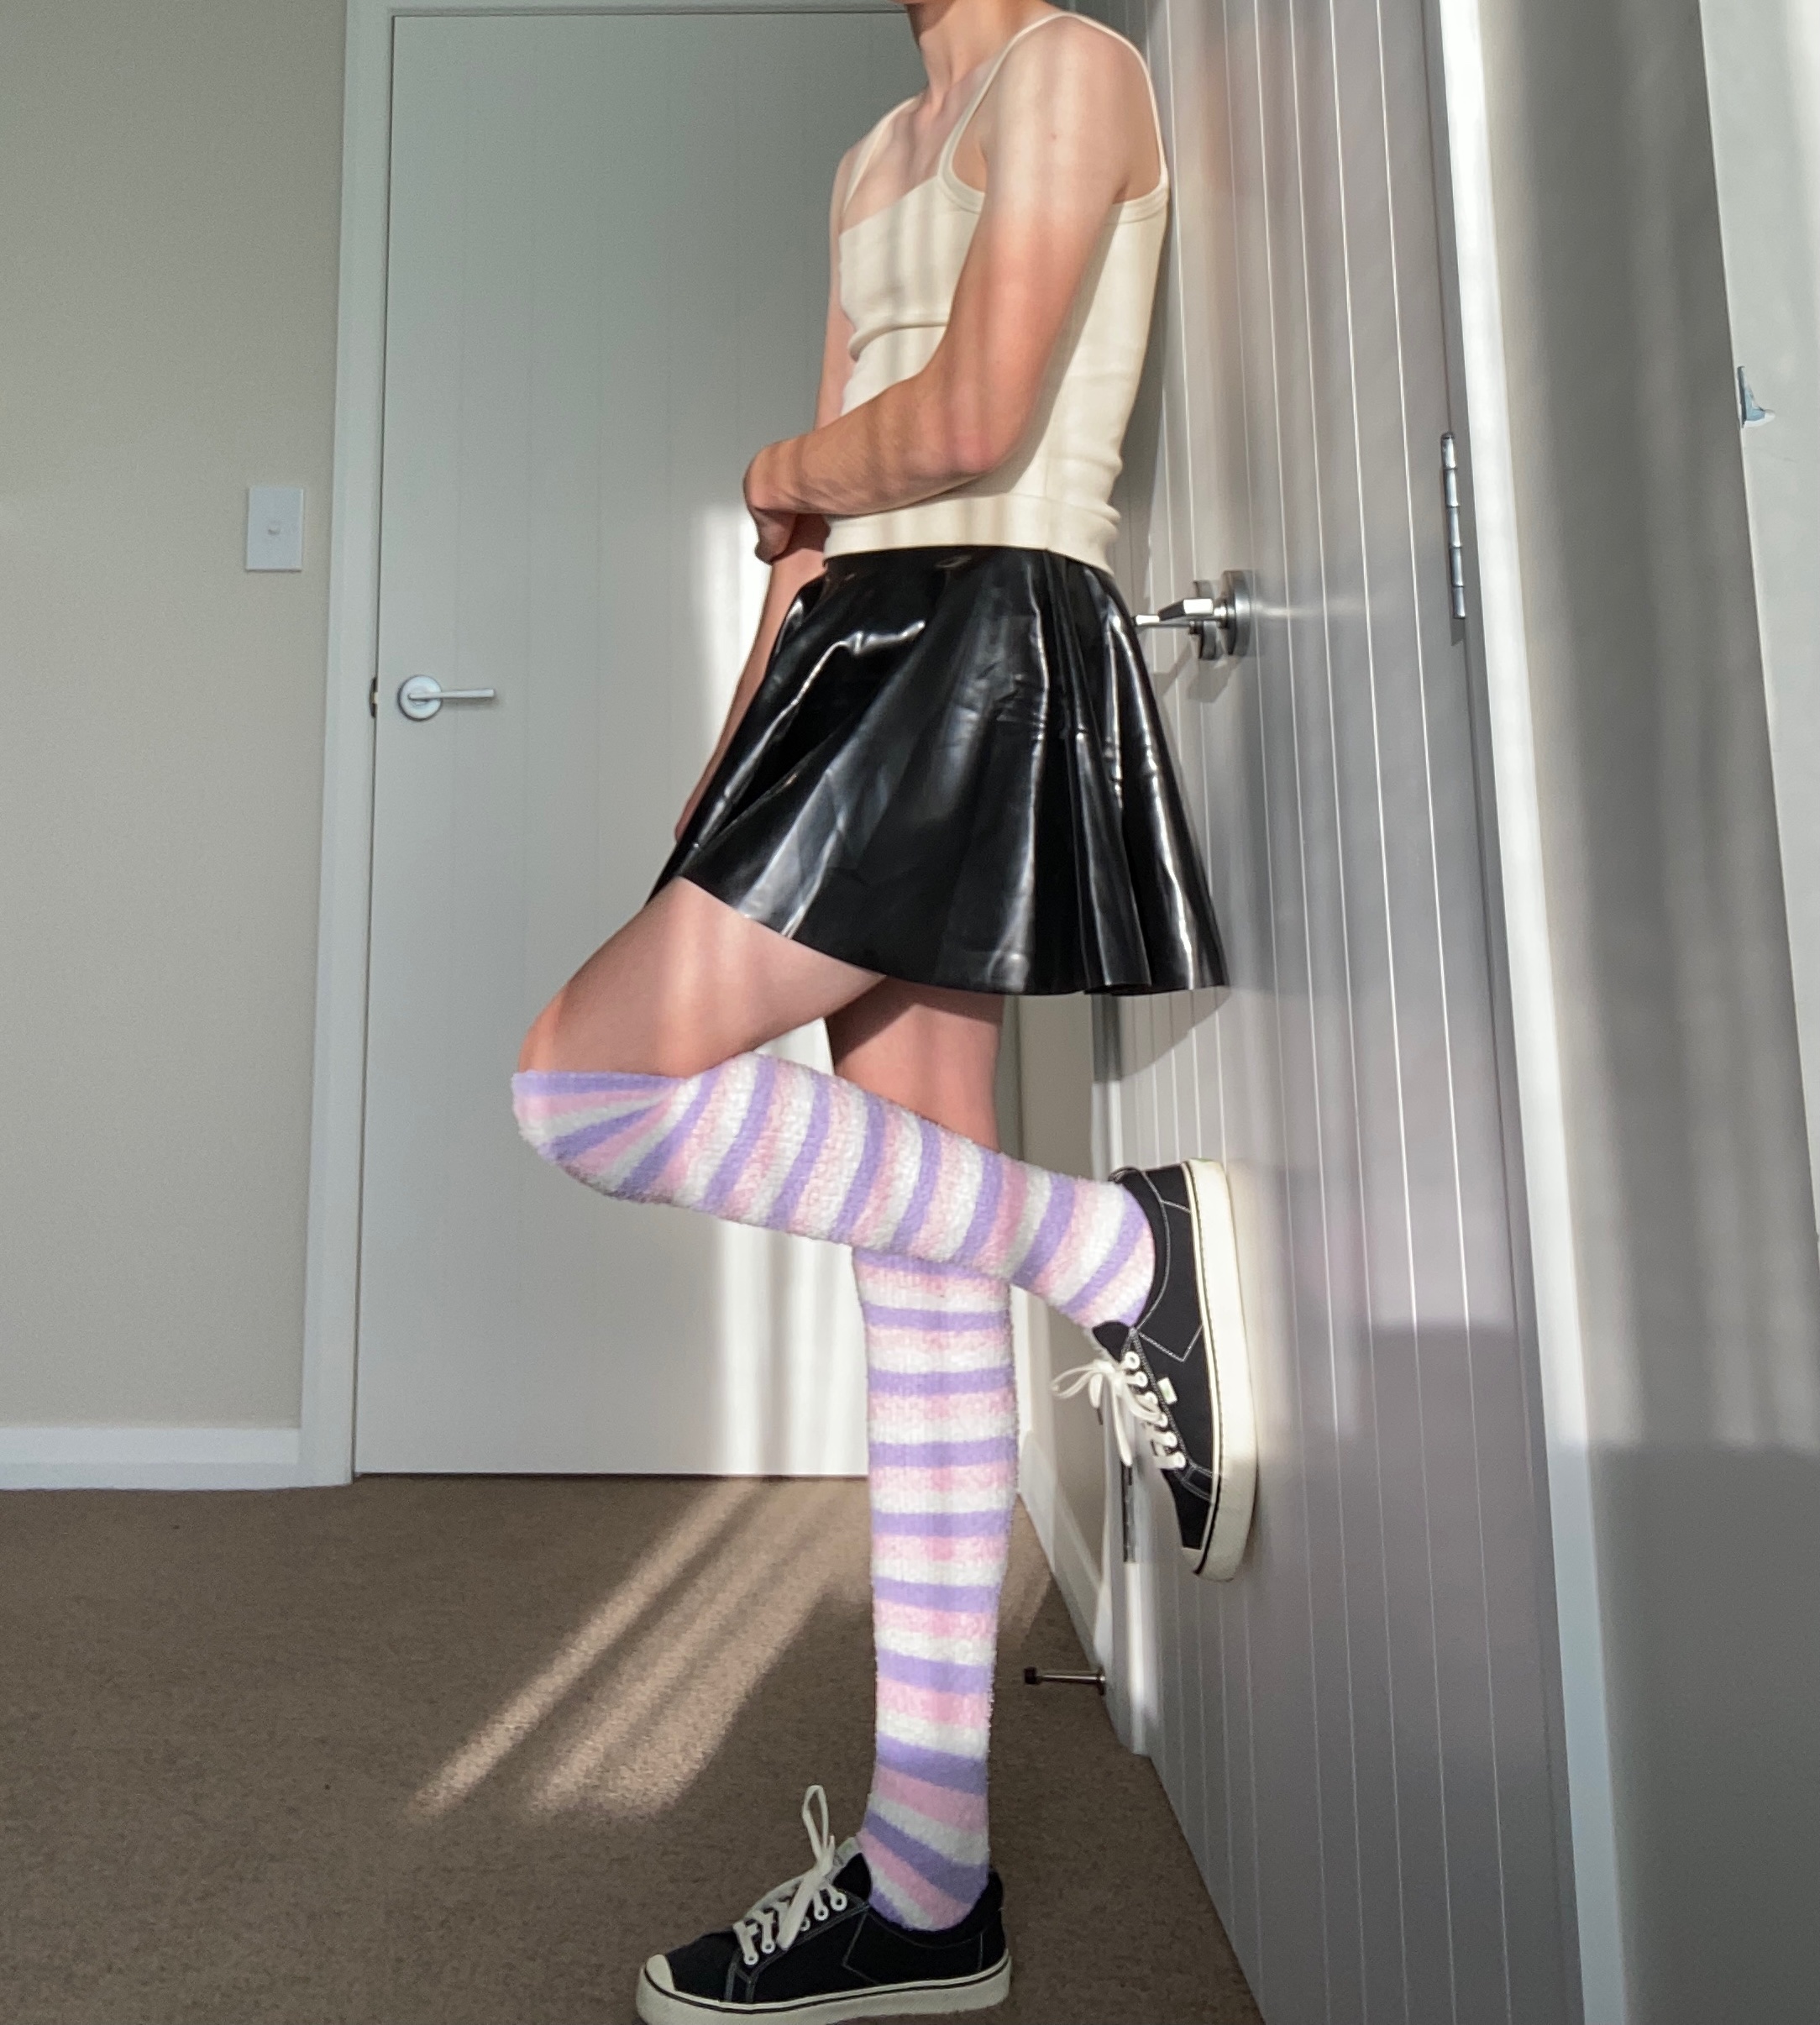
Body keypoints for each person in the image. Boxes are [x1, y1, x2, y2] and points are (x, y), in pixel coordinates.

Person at [512, 2, 1252, 2016]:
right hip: (860, 652)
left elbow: (960, 421)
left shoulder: (1075, 69)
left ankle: (1120, 1252)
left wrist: (769, 467)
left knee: (583, 1088)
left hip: (990, 624)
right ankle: (932, 1892)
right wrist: (718, 786)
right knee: (916, 1266)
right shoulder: (871, 150)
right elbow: (811, 550)